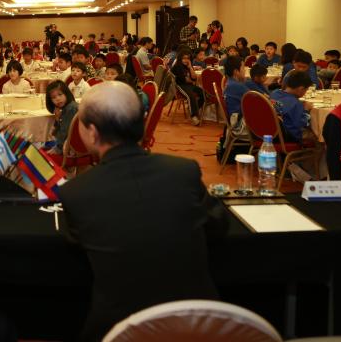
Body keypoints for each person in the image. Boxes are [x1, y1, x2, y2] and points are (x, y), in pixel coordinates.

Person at [59, 82, 225, 341]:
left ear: (92, 132)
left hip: (119, 331)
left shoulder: (77, 193)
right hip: (199, 327)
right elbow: (218, 225)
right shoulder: (183, 171)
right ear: (142, 122)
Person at [270, 70, 313, 143]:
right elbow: (302, 125)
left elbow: (284, 105)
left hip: (271, 132)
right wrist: (306, 110)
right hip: (288, 137)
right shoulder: (296, 104)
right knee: (316, 134)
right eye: (306, 90)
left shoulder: (275, 93)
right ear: (301, 89)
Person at [171, 49, 204, 126]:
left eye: (188, 58)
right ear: (180, 58)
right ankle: (194, 117)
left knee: (203, 93)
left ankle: (191, 109)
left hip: (189, 85)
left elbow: (194, 78)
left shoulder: (188, 66)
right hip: (180, 86)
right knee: (191, 96)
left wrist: (190, 67)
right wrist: (190, 80)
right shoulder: (177, 67)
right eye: (184, 58)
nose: (186, 60)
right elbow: (183, 80)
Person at [46, 80, 78, 155]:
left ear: (66, 93)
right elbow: (58, 132)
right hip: (68, 144)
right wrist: (58, 118)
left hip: (73, 147)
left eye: (60, 94)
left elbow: (65, 133)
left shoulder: (71, 108)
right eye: (53, 97)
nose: (57, 99)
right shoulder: (65, 108)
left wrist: (57, 148)